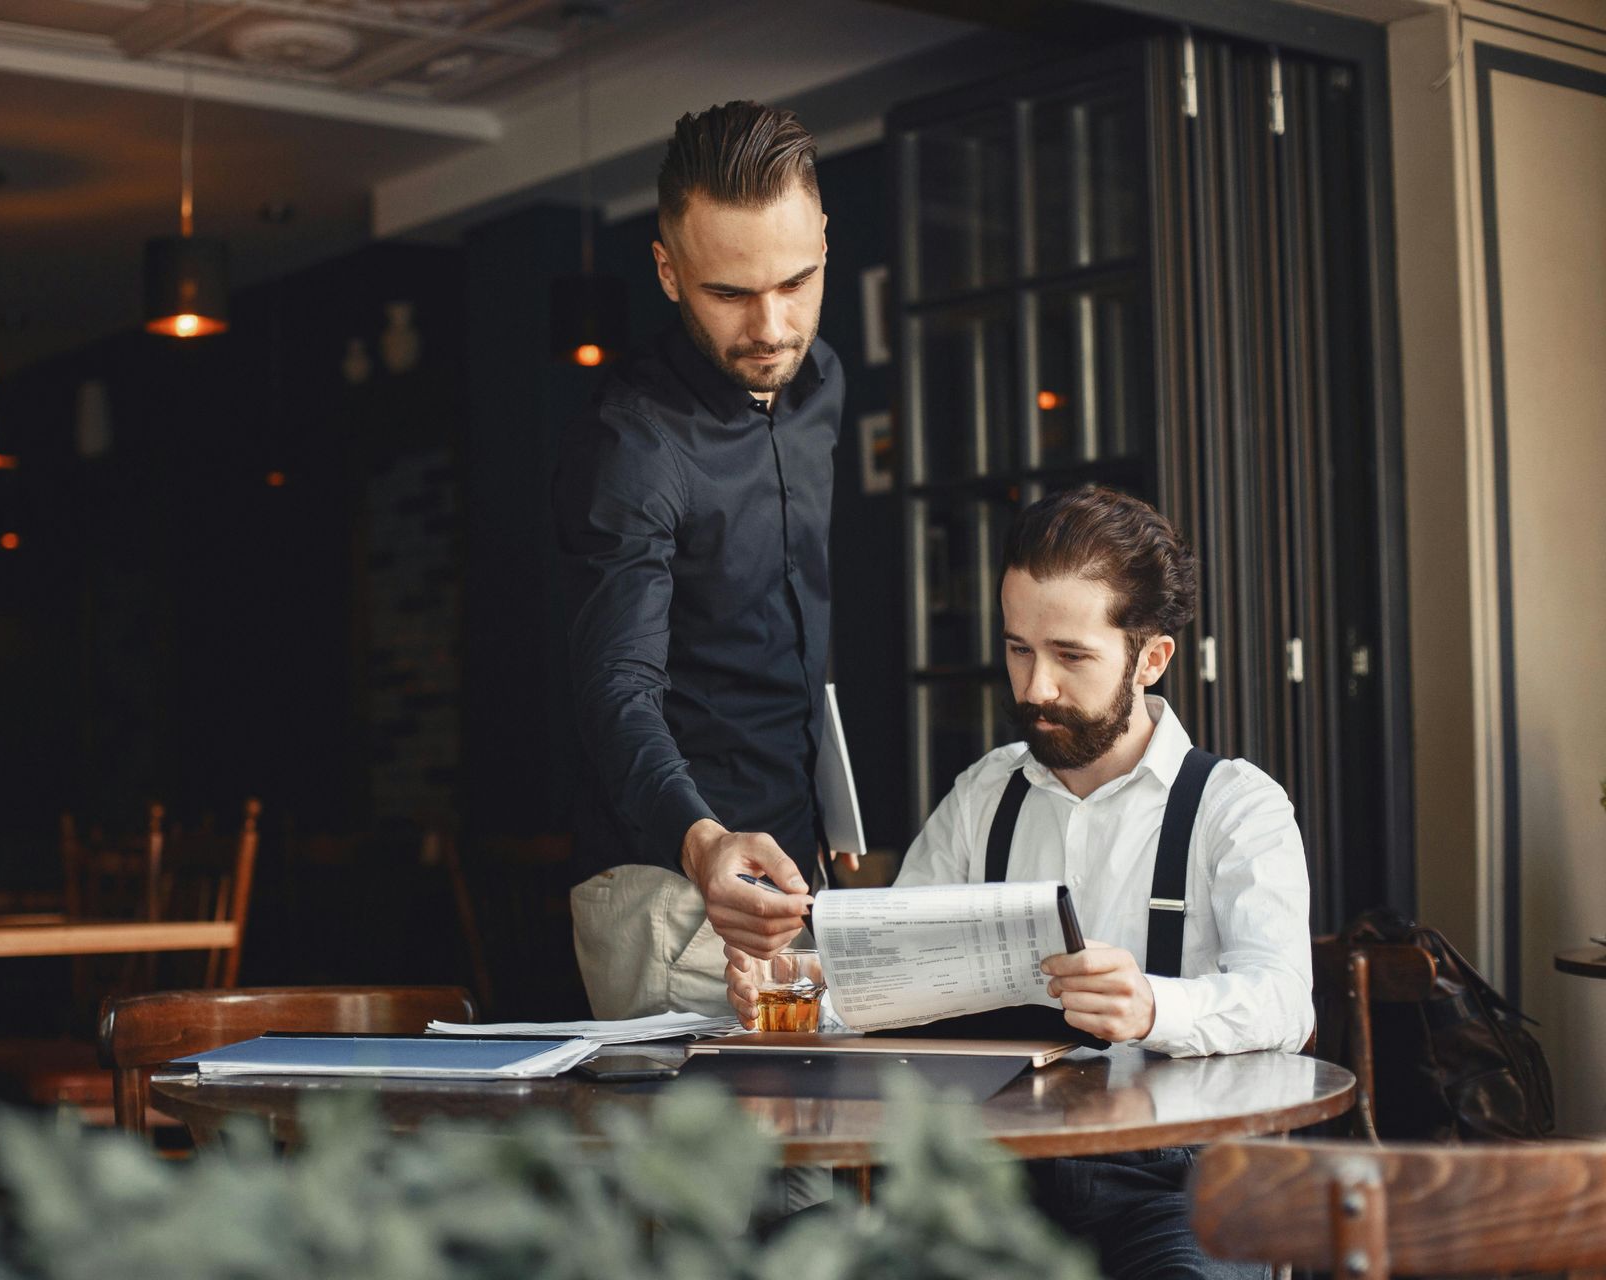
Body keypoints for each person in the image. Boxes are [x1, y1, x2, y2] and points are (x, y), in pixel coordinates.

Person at [727, 484, 1312, 1279]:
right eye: (1017, 649)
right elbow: (894, 980)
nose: (1035, 688)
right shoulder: (983, 796)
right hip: (988, 1180)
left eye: (1071, 656)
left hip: (1176, 1186)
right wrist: (797, 988)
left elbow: (1285, 1001)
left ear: (1152, 658)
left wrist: (1153, 1006)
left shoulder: (1236, 807)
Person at [555, 101, 847, 1020]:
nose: (770, 324)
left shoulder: (820, 383)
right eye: (729, 294)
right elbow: (615, 692)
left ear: (826, 244)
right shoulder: (635, 446)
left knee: (824, 1163)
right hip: (673, 895)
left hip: (801, 888)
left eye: (795, 282)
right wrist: (704, 841)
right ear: (669, 272)